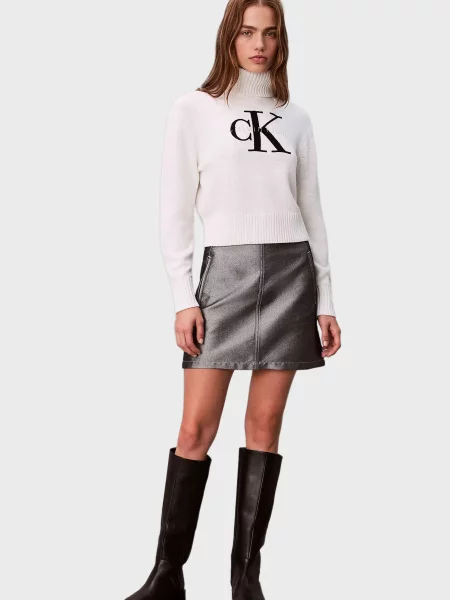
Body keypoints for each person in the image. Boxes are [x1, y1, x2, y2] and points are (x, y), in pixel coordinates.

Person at [125, 0, 342, 598]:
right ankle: (167, 574)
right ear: (229, 37)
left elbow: (313, 211)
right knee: (196, 426)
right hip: (224, 276)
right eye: (248, 32)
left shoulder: (296, 119)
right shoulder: (193, 110)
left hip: (292, 274)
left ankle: (246, 579)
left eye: (270, 33)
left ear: (281, 41)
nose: (259, 44)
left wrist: (326, 299)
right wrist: (182, 296)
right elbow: (174, 211)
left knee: (265, 423)